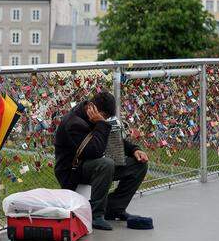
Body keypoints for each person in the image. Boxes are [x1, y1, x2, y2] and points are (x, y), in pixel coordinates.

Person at [54, 91, 149, 230]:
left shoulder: (96, 118)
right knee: (106, 164)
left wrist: (135, 149)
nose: (104, 119)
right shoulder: (73, 123)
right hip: (71, 171)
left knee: (138, 164)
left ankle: (115, 208)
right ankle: (95, 214)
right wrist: (101, 124)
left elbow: (112, 140)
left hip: (89, 165)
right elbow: (93, 151)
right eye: (104, 116)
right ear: (93, 108)